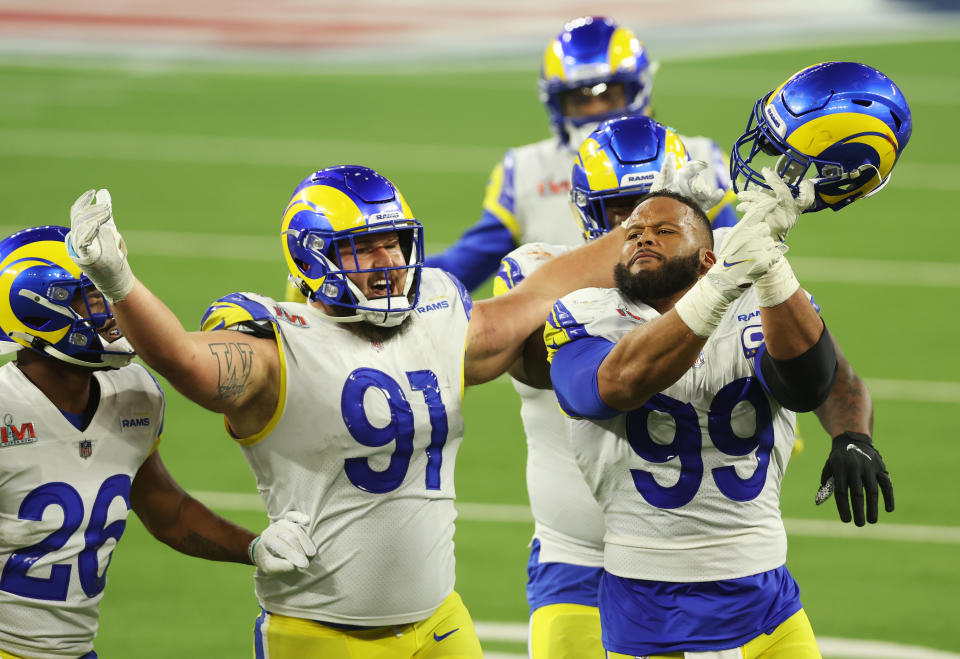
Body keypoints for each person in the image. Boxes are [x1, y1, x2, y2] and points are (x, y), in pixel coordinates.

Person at [63, 165, 630, 658]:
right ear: (315, 256)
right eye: (365, 247)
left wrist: (651, 226)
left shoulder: (438, 319)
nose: (388, 262)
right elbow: (183, 359)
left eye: (395, 243)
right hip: (322, 630)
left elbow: (534, 296)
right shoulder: (280, 349)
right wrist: (117, 279)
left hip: (440, 623)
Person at [540, 61, 909, 656]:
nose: (638, 236)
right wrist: (724, 285)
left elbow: (814, 381)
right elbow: (607, 387)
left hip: (767, 594)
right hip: (648, 598)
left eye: (664, 230)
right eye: (632, 229)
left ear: (710, 256)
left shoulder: (758, 304)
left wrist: (769, 263)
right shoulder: (582, 309)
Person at [0, 226, 316, 659]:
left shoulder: (134, 394)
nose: (112, 310)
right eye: (91, 296)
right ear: (35, 309)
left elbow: (166, 511)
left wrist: (253, 547)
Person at [422, 15, 739, 293]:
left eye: (609, 95)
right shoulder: (526, 169)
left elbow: (734, 263)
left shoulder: (695, 156)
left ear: (637, 90)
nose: (596, 111)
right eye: (579, 100)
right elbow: (462, 266)